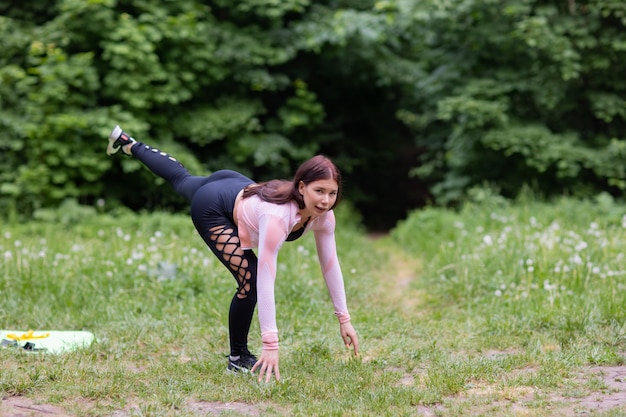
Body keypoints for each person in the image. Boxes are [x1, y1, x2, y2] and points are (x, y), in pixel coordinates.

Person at [106, 125, 359, 382]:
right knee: (251, 281)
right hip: (214, 207)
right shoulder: (277, 217)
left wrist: (344, 319)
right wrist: (270, 345)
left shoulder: (324, 217)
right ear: (302, 187)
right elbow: (266, 276)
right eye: (319, 191)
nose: (326, 200)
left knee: (181, 178)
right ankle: (237, 358)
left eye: (332, 193)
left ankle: (128, 143)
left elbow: (330, 264)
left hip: (234, 184)